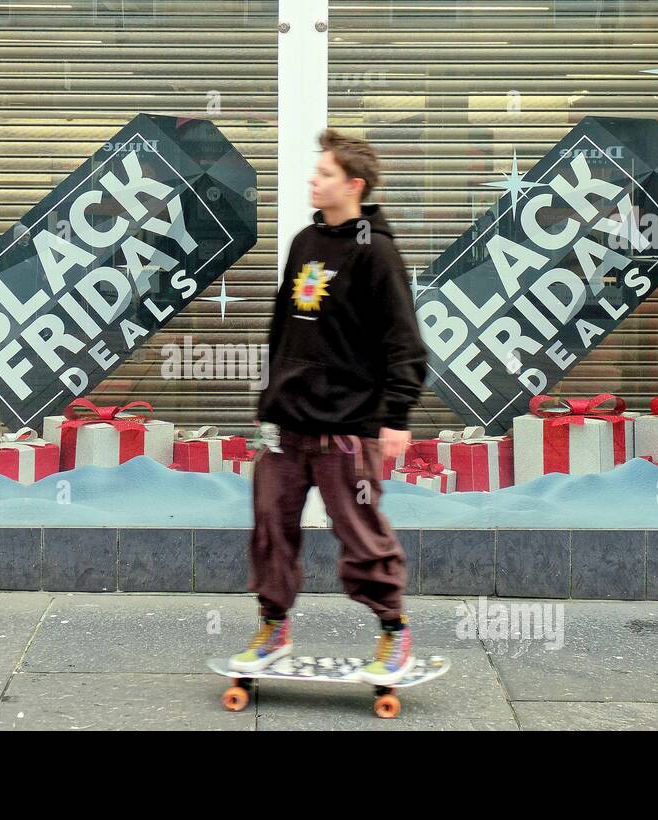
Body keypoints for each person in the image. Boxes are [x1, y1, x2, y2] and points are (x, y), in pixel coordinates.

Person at [229, 128, 428, 686]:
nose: (312, 181)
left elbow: (404, 343)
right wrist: (268, 401)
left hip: (348, 429)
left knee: (362, 535)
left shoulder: (377, 253)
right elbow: (283, 328)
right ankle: (273, 629)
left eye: (324, 174)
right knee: (271, 527)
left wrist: (395, 418)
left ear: (354, 185)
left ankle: (395, 634)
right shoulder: (304, 243)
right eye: (315, 172)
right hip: (287, 425)